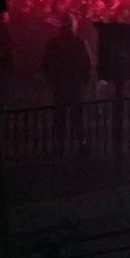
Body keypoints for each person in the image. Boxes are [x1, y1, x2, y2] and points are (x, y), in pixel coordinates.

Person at [43, 14, 92, 156]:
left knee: (60, 115)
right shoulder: (79, 42)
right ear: (72, 25)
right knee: (78, 115)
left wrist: (51, 79)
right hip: (75, 83)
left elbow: (47, 63)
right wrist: (85, 80)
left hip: (60, 83)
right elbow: (86, 63)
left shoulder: (53, 42)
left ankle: (59, 145)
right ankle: (81, 143)